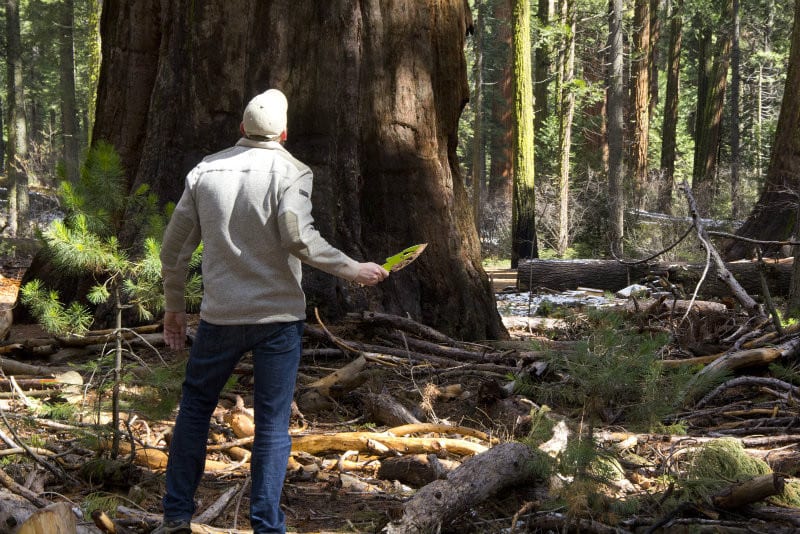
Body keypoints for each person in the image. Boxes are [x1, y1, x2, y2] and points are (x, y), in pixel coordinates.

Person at [155, 88, 389, 534]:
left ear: (241, 128)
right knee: (272, 425)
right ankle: (267, 526)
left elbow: (174, 249)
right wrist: (352, 269)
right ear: (284, 134)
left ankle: (176, 516)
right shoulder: (292, 171)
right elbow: (298, 238)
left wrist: (174, 308)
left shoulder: (205, 171)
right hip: (278, 320)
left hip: (221, 316)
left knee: (195, 410)